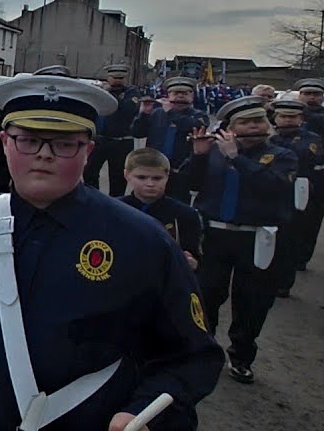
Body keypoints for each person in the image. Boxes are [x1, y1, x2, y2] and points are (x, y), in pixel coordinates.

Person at [0, 75, 222, 430]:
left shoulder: (143, 240)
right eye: (28, 140)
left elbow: (193, 355)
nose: (44, 154)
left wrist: (144, 411)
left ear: (88, 151)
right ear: (5, 143)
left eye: (64, 143)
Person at [181, 96, 295, 384]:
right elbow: (190, 185)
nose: (253, 126)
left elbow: (275, 187)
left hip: (257, 237)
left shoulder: (283, 155)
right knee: (206, 294)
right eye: (245, 122)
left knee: (252, 301)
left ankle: (241, 356)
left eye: (258, 120)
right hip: (215, 234)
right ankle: (203, 350)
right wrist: (198, 155)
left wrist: (236, 158)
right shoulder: (214, 151)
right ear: (231, 127)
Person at [266, 98, 324, 296]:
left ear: (301, 119)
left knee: (291, 239)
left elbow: (304, 155)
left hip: (299, 192)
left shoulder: (311, 138)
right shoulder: (270, 137)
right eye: (283, 116)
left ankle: (283, 283)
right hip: (271, 192)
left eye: (293, 117)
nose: (288, 120)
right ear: (276, 118)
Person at [120, 148, 202, 271]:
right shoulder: (114, 210)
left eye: (157, 178)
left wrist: (192, 263)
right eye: (142, 177)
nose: (150, 184)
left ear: (167, 176)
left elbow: (196, 258)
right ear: (127, 175)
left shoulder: (185, 214)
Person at [132, 77, 209, 201]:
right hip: (155, 168)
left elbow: (191, 125)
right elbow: (137, 133)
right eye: (176, 93)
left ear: (192, 96)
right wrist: (144, 114)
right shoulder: (157, 113)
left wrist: (171, 112)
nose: (180, 96)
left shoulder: (199, 116)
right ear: (168, 96)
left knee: (177, 206)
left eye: (185, 93)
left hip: (181, 172)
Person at [85, 64, 141, 197]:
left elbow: (128, 110)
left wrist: (111, 94)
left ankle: (115, 203)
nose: (117, 81)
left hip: (121, 142)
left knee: (118, 179)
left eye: (120, 78)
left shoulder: (131, 92)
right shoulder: (101, 91)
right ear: (108, 78)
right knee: (89, 172)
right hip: (100, 139)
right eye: (114, 78)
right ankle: (95, 198)